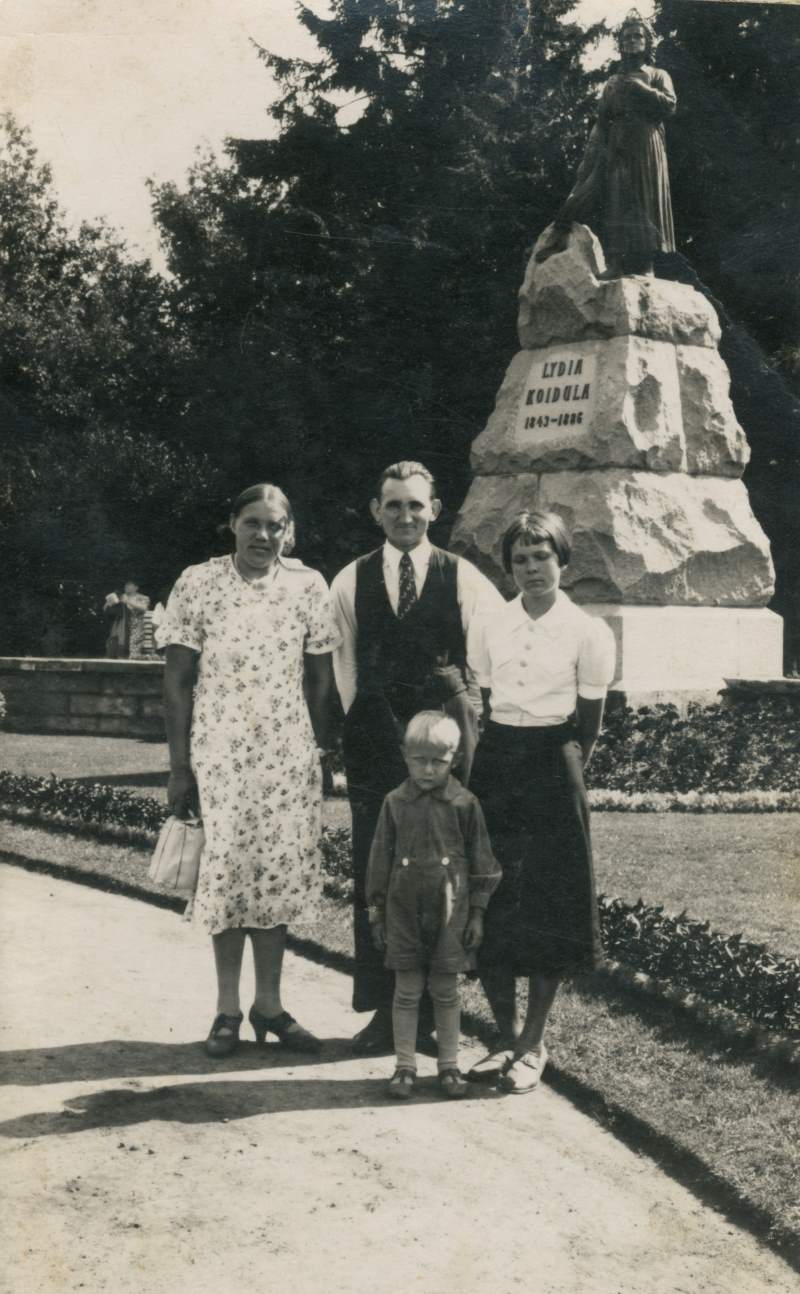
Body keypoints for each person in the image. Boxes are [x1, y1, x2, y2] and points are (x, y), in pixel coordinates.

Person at [156, 483, 340, 1058]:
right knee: (227, 879)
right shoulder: (198, 582)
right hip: (220, 757)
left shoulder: (309, 587)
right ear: (232, 524)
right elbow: (177, 683)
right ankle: (227, 1010)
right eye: (253, 522)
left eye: (276, 525)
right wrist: (180, 767)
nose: (264, 535)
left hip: (287, 758)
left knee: (275, 880)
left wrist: (323, 752)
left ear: (290, 532)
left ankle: (270, 1006)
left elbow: (321, 681)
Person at [331, 461, 505, 1056]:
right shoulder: (350, 579)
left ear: (435, 510)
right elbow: (344, 662)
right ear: (376, 511)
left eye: (415, 505)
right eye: (393, 505)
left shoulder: (463, 577)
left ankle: (435, 1013)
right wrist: (369, 718)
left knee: (446, 865)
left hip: (447, 736)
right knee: (378, 864)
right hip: (377, 733)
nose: (405, 515)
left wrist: (464, 722)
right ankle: (386, 1011)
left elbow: (484, 658)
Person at [467, 509, 615, 1094]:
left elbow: (590, 723)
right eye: (520, 560)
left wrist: (564, 767)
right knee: (491, 893)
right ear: (508, 568)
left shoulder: (588, 632)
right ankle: (501, 1037)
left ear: (563, 561)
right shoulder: (489, 624)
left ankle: (533, 1043)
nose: (532, 569)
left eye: (542, 556)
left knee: (551, 900)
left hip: (554, 762)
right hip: (498, 760)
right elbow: (484, 693)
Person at [366, 712, 501, 1099]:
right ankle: (404, 1067)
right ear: (405, 756)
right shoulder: (394, 803)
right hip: (403, 911)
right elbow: (379, 862)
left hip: (450, 912)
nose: (427, 770)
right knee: (406, 990)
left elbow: (482, 863)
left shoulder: (464, 804)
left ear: (454, 760)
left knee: (445, 990)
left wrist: (477, 912)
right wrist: (376, 913)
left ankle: (448, 1067)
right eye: (418, 760)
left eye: (438, 762)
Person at [536, 9, 676, 278]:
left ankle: (645, 266)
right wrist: (591, 158)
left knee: (643, 205)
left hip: (646, 147)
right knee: (615, 204)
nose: (632, 40)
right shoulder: (613, 82)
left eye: (638, 36)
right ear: (621, 44)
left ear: (647, 43)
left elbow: (669, 105)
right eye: (627, 37)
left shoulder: (658, 74)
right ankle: (615, 262)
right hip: (615, 148)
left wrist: (640, 88)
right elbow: (602, 121)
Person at [103, 581, 150, 658]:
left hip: (136, 627)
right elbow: (105, 609)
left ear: (136, 587)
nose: (126, 586)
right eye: (126, 585)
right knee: (115, 646)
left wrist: (128, 601)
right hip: (120, 628)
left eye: (129, 585)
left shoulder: (143, 597)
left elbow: (144, 608)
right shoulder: (119, 597)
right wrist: (109, 601)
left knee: (133, 653)